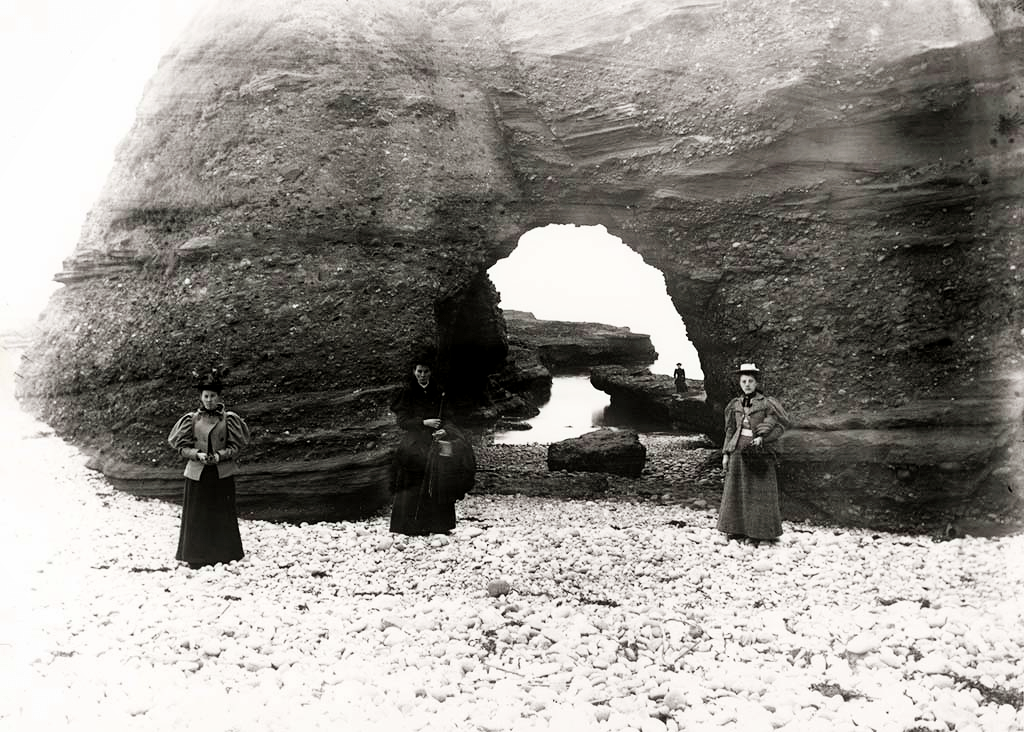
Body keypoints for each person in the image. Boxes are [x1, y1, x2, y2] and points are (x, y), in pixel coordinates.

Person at [167, 371, 250, 567]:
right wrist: (197, 455)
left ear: (219, 397)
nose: (209, 400)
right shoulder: (191, 419)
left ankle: (224, 554)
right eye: (206, 396)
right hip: (198, 472)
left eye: (213, 396)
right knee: (197, 514)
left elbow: (236, 446)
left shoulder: (229, 419)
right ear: (201, 397)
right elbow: (180, 447)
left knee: (221, 512)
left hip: (221, 472)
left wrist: (221, 455)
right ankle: (195, 556)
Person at [389, 359, 475, 536]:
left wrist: (444, 430)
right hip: (415, 443)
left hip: (436, 443)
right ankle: (410, 527)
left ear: (431, 372)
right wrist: (423, 423)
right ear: (414, 372)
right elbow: (403, 422)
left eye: (426, 372)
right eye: (419, 371)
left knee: (440, 480)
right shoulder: (407, 392)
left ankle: (439, 526)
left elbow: (450, 418)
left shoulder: (440, 392)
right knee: (413, 482)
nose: (422, 375)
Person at [717, 363, 790, 542]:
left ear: (756, 383)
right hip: (737, 450)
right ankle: (736, 529)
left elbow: (780, 427)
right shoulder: (734, 404)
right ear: (740, 383)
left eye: (750, 381)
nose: (747, 384)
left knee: (759, 491)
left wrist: (763, 438)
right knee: (736, 489)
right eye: (744, 381)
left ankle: (760, 532)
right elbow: (730, 430)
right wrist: (726, 454)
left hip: (758, 453)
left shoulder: (767, 403)